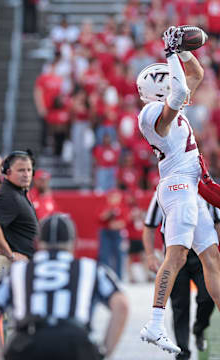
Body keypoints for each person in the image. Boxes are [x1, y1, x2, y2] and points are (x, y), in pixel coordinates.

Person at [136, 25, 220, 354]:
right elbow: (180, 90)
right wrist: (170, 54)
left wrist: (182, 50)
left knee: (212, 258)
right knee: (177, 255)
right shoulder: (151, 114)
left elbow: (195, 73)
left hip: (190, 186)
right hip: (178, 186)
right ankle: (155, 324)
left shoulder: (170, 107)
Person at [0, 213, 129, 360]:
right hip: (75, 342)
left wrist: (0, 356)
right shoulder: (90, 268)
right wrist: (104, 352)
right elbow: (121, 305)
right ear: (74, 243)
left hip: (29, 342)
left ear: (37, 243)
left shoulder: (19, 270)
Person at [143, 192, 217, 359]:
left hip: (201, 256)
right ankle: (182, 351)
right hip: (174, 257)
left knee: (208, 297)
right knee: (180, 305)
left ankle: (199, 327)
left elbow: (217, 223)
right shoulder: (162, 192)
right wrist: (150, 255)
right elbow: (149, 225)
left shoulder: (206, 190)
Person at [0, 150, 38, 282]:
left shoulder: (17, 193)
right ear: (8, 172)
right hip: (12, 266)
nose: (26, 174)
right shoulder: (9, 196)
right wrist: (11, 255)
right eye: (21, 170)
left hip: (19, 266)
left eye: (29, 170)